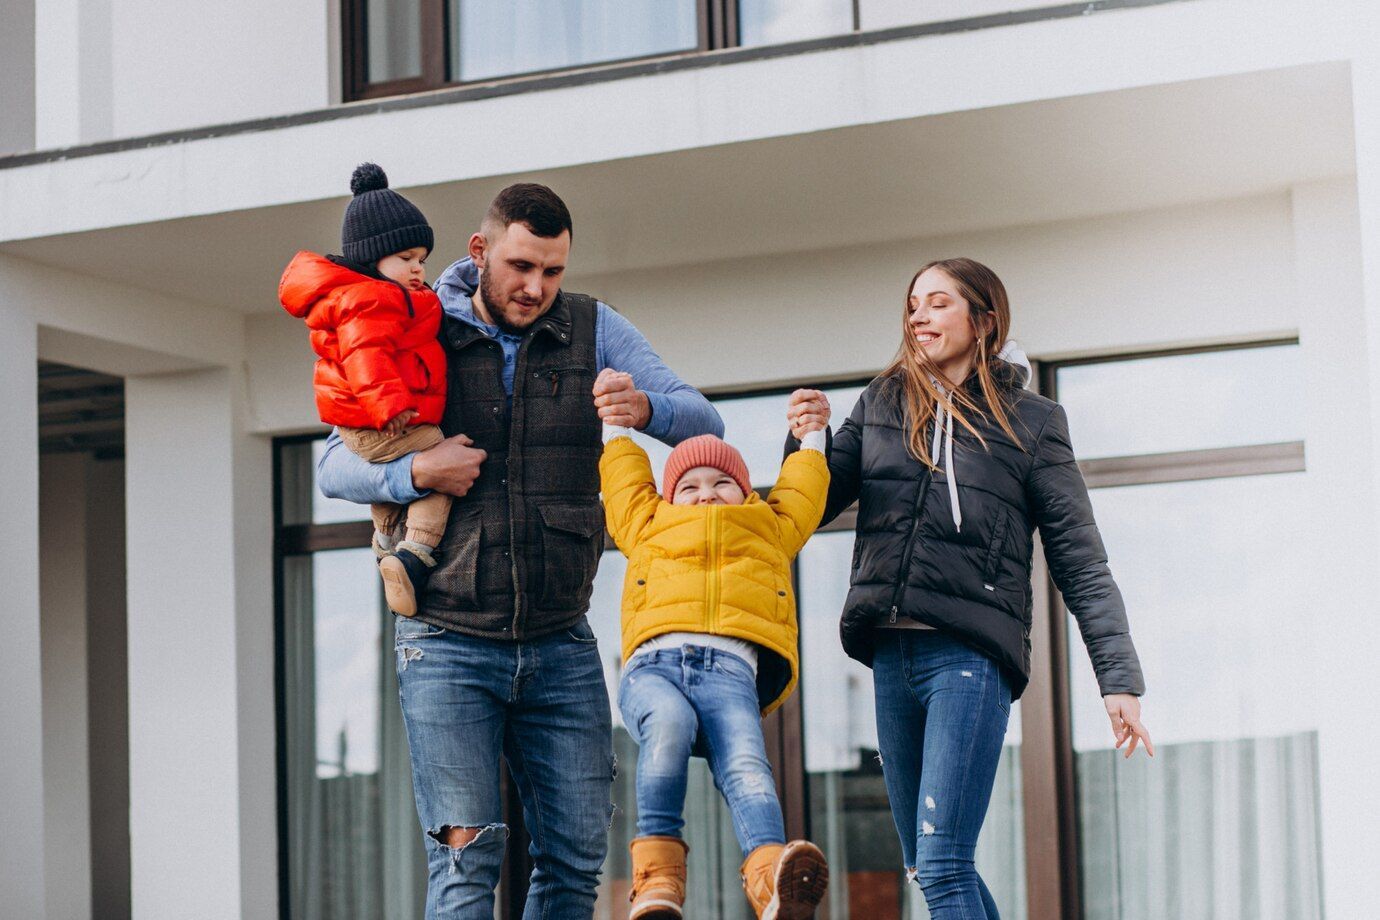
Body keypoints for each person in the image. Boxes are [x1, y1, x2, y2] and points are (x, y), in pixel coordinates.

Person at [316, 182, 723, 918]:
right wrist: (416, 471)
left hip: (561, 642)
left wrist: (647, 408)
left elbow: (704, 417)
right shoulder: (416, 323)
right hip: (445, 643)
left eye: (553, 271)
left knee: (575, 860)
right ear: (480, 253)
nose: (537, 287)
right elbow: (330, 464)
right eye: (521, 266)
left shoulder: (596, 329)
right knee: (468, 865)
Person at [785, 258, 1152, 918]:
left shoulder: (1032, 422)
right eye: (912, 305)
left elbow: (1081, 560)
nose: (918, 316)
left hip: (967, 659)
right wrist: (804, 440)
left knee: (944, 860)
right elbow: (810, 503)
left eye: (938, 303)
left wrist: (1117, 676)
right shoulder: (882, 402)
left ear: (983, 321)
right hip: (891, 659)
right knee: (927, 864)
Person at [599, 369, 830, 920]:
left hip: (731, 673)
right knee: (669, 729)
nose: (705, 495)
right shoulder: (648, 521)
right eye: (689, 486)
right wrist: (615, 423)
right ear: (668, 495)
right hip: (655, 668)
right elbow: (623, 480)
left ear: (745, 490)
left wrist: (813, 436)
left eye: (721, 483)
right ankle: (657, 881)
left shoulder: (768, 527)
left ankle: (771, 882)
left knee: (748, 764)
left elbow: (803, 491)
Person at [279, 162, 450, 616]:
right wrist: (389, 406)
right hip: (379, 419)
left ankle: (385, 543)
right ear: (372, 259)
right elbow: (365, 356)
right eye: (406, 260)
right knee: (441, 462)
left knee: (396, 482)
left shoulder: (384, 295)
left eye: (421, 260)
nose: (418, 269)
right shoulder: (369, 299)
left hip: (370, 420)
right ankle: (414, 553)